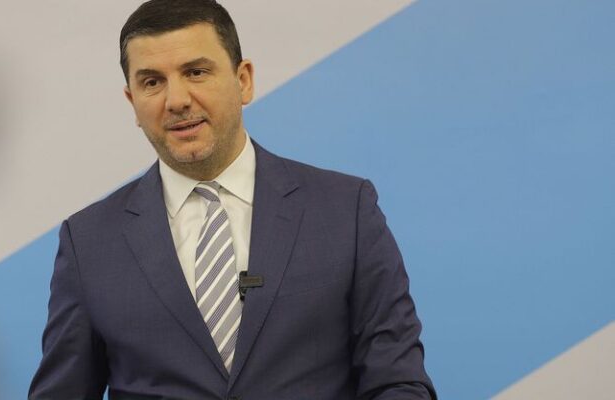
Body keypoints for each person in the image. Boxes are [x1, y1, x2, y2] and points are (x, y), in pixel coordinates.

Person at [29, 1, 435, 399]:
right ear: (133, 101)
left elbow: (398, 382)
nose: (177, 100)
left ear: (244, 81)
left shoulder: (346, 211)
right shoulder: (88, 243)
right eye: (152, 82)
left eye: (196, 72)